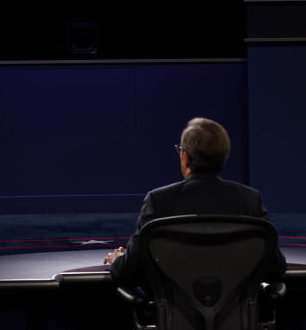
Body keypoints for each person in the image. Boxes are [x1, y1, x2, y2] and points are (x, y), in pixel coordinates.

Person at [104, 117, 286, 288]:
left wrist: (118, 260)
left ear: (185, 156)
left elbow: (127, 272)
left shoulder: (159, 201)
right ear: (224, 157)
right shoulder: (250, 200)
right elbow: (275, 268)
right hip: (237, 318)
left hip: (172, 318)